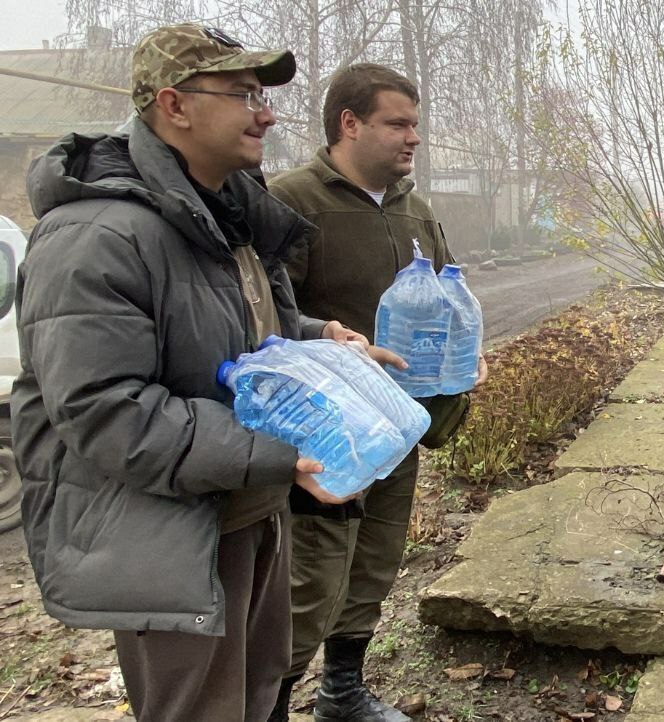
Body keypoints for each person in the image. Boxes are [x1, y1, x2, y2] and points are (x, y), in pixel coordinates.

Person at [11, 24, 397, 722]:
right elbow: (106, 413)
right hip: (175, 533)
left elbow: (244, 332)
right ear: (174, 105)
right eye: (244, 93)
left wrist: (320, 338)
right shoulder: (96, 236)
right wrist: (283, 453)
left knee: (257, 700)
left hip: (250, 510)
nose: (268, 111)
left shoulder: (227, 216)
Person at [268, 63, 486, 722]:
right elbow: (262, 319)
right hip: (326, 442)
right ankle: (268, 706)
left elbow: (449, 300)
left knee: (375, 565)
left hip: (400, 427)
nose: (412, 138)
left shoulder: (416, 211)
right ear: (349, 123)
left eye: (414, 124)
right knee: (310, 583)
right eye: (398, 123)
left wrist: (462, 365)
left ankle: (341, 693)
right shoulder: (291, 203)